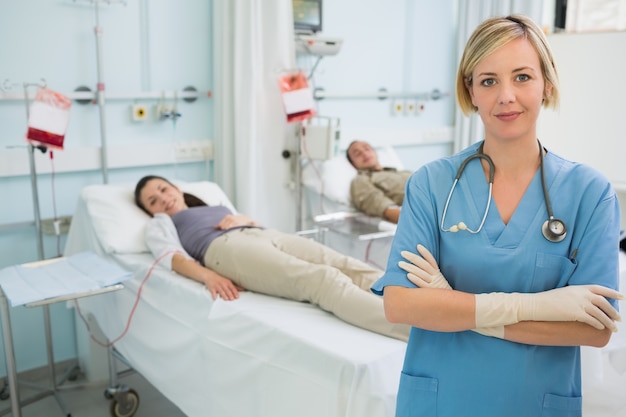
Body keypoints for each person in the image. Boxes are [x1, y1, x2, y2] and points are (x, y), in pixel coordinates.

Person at [371, 14, 624, 417]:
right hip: (440, 401)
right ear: (470, 91)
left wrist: (451, 304)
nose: (506, 95)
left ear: (547, 84)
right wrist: (539, 307)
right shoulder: (432, 184)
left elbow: (594, 329)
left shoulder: (589, 193)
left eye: (522, 77)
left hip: (535, 403)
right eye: (488, 80)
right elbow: (400, 305)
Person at [134, 174, 410, 342]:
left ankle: (422, 303)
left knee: (344, 263)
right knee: (321, 279)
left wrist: (246, 219)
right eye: (153, 201)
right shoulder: (160, 223)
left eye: (163, 189)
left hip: (261, 233)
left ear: (176, 188)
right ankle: (413, 332)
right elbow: (172, 257)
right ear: (151, 211)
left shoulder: (212, 206)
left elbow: (250, 223)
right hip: (224, 249)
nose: (162, 199)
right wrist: (209, 276)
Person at [346, 140, 411, 223]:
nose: (365, 154)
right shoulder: (361, 180)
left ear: (375, 153)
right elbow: (385, 207)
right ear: (352, 163)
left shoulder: (404, 172)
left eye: (367, 149)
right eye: (357, 154)